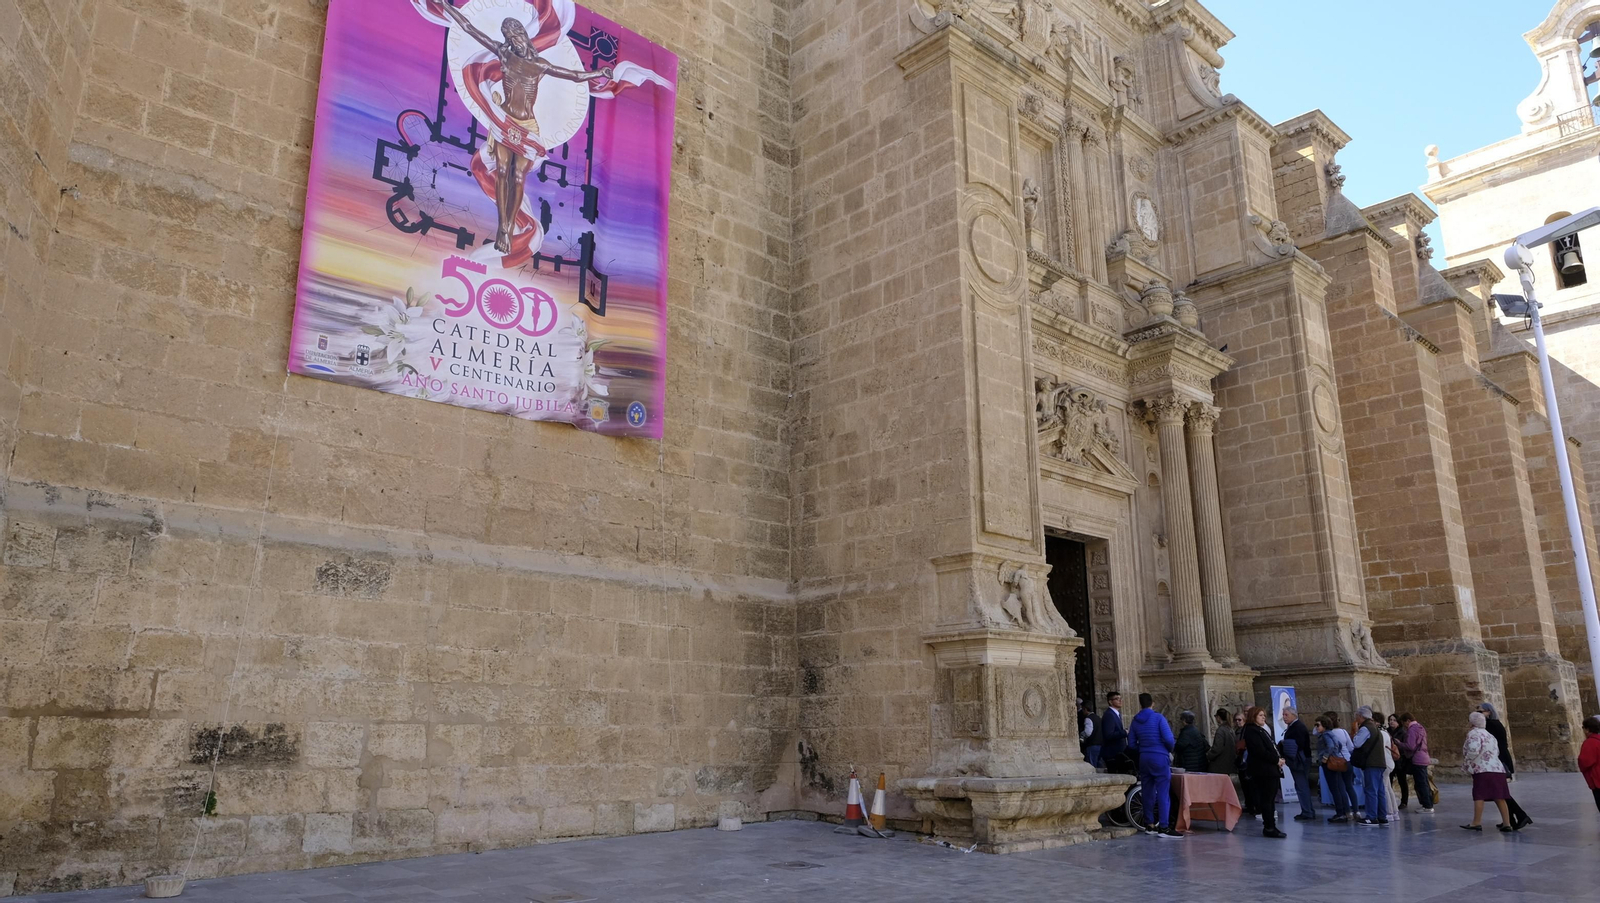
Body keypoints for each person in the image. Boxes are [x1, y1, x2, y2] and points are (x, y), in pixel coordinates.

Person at [1127, 693, 1181, 837]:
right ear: (1153, 703)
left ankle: (1149, 825)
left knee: (1147, 791)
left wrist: (1143, 749)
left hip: (1144, 758)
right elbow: (1169, 739)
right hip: (1159, 756)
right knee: (1163, 792)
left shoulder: (1135, 720)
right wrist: (1167, 749)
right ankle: (1164, 827)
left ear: (1141, 704)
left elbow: (1131, 744)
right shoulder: (1158, 718)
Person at [1476, 703, 1529, 829]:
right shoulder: (1496, 723)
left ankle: (1521, 816)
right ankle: (1509, 820)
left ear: (1488, 712)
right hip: (1501, 759)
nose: (1479, 714)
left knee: (1500, 792)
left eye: (1480, 712)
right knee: (1500, 792)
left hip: (1499, 761)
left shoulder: (1490, 725)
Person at [1460, 710, 1515, 832]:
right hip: (1497, 769)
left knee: (1479, 795)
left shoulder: (1473, 734)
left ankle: (1476, 822)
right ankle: (1507, 823)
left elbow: (1473, 750)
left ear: (1472, 722)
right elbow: (1497, 751)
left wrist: (1466, 763)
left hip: (1482, 769)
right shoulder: (1490, 735)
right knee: (1500, 796)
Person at [1241, 706, 1287, 838]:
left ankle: (1271, 825)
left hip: (1269, 768)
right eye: (1260, 715)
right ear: (1253, 716)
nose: (1263, 717)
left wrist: (1278, 758)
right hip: (1264, 770)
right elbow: (1260, 751)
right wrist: (1276, 760)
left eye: (1264, 715)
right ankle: (1269, 827)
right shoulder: (1252, 731)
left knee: (1270, 799)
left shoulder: (1260, 730)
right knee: (1267, 799)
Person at [1350, 706, 1389, 826]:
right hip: (1380, 763)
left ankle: (1371, 817)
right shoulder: (1375, 728)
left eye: (1357, 716)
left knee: (1371, 790)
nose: (1356, 718)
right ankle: (1382, 816)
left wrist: (1356, 732)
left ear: (1361, 716)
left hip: (1371, 763)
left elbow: (1356, 743)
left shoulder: (1365, 728)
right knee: (1380, 790)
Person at [1315, 712, 1356, 822]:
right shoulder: (1330, 733)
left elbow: (1331, 746)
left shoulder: (1326, 735)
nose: (1316, 727)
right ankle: (1344, 812)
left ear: (1324, 725)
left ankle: (1340, 813)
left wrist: (1325, 757)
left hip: (1329, 763)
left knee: (1334, 788)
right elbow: (1339, 745)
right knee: (1338, 788)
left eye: (1318, 725)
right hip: (1336, 762)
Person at [1280, 707, 1316, 821]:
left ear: (1293, 715)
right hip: (1299, 759)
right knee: (1301, 785)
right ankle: (1308, 810)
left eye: (1286, 715)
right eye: (1283, 715)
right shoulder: (1295, 726)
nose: (1284, 717)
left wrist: (1284, 745)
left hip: (1299, 760)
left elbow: (1299, 744)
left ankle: (1307, 812)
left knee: (1301, 786)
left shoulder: (1297, 727)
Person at [1395, 712, 1435, 813]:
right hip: (1423, 757)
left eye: (1404, 723)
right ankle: (1428, 804)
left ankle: (1427, 806)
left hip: (1417, 759)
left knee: (1421, 783)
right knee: (1424, 782)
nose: (1404, 726)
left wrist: (1400, 744)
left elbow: (1411, 746)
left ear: (1408, 721)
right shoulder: (1420, 727)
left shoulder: (1412, 729)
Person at [1372, 710, 1399, 821]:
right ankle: (1395, 812)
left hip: (1384, 763)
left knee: (1384, 788)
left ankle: (1389, 812)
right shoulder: (1385, 732)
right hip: (1388, 762)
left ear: (1377, 721)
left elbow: (1379, 749)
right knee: (1388, 787)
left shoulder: (1380, 733)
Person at [1579, 715, 1600, 814]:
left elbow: (1585, 761)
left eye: (1583, 728)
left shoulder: (1590, 743)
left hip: (1597, 779)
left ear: (1587, 729)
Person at [1100, 691, 1128, 764]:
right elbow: (1109, 735)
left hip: (1119, 753)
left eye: (1120, 698)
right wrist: (1124, 732)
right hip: (1113, 753)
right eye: (1117, 699)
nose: (1120, 700)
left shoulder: (1115, 714)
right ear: (1110, 702)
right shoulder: (1109, 715)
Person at [1079, 698, 1102, 767]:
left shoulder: (1088, 718)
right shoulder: (1098, 718)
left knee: (1091, 766)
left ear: (1085, 709)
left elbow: (1088, 732)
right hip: (1100, 745)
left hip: (1092, 746)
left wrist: (1081, 735)